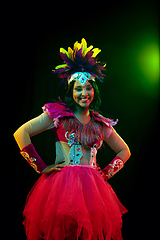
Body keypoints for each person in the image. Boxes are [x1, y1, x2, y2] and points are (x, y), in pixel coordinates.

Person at [14, 38, 131, 240]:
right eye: (78, 88)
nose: (84, 93)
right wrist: (41, 166)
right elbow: (20, 133)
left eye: (89, 88)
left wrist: (104, 174)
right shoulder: (57, 116)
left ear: (94, 90)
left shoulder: (101, 124)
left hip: (93, 190)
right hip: (61, 188)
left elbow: (125, 151)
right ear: (71, 91)